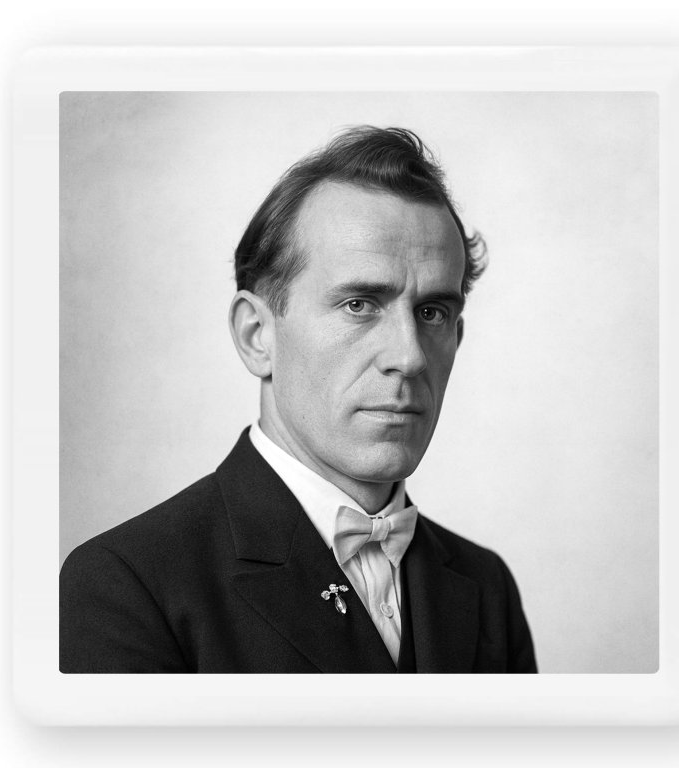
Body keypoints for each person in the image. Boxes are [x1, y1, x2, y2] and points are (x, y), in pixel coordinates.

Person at [60, 126, 537, 673]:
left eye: (432, 313)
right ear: (257, 336)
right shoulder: (124, 587)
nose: (409, 357)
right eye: (359, 304)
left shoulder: (487, 587)